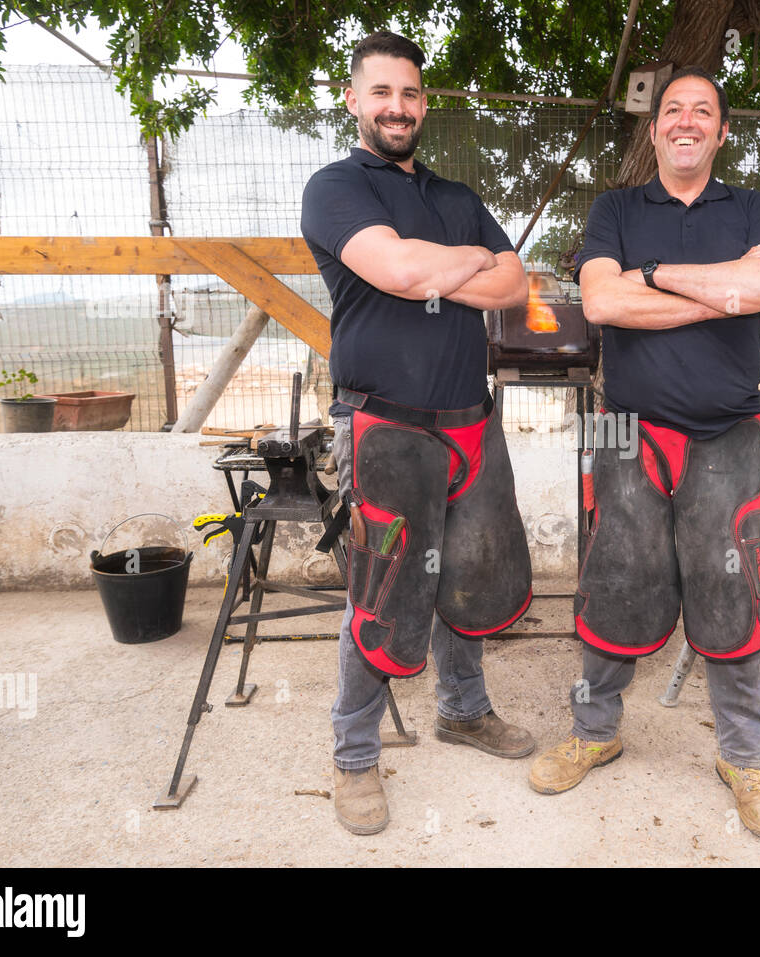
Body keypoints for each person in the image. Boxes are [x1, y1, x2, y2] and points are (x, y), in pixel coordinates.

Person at [528, 67, 760, 839]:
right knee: (612, 577)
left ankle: (745, 756)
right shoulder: (616, 206)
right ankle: (594, 730)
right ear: (655, 131)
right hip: (623, 425)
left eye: (701, 111)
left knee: (732, 591)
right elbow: (603, 302)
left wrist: (655, 279)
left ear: (720, 130)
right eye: (672, 110)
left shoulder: (753, 206)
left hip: (729, 428)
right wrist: (720, 290)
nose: (685, 121)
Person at [301, 31, 534, 836]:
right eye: (382, 93)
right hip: (383, 422)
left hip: (470, 417)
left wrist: (446, 263)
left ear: (423, 102)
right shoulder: (335, 189)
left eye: (410, 94)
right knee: (384, 588)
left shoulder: (458, 194)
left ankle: (463, 709)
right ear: (353, 99)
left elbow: (516, 284)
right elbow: (400, 273)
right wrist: (465, 260)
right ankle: (354, 754)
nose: (397, 107)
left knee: (466, 573)